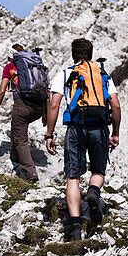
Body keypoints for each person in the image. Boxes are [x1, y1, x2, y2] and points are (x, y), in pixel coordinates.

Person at [45, 38, 122, 241]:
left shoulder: (66, 73)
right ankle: (94, 193)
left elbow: (54, 105)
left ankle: (75, 227)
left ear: (73, 54)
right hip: (99, 128)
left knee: (73, 177)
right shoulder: (103, 75)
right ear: (90, 53)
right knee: (98, 171)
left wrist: (49, 134)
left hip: (76, 128)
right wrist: (115, 132)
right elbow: (116, 105)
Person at [0, 43, 55, 182]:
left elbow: (2, 90)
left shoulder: (10, 67)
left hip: (23, 105)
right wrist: (45, 113)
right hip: (39, 106)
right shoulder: (36, 65)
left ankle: (30, 172)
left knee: (21, 139)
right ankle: (14, 157)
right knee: (16, 127)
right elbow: (47, 90)